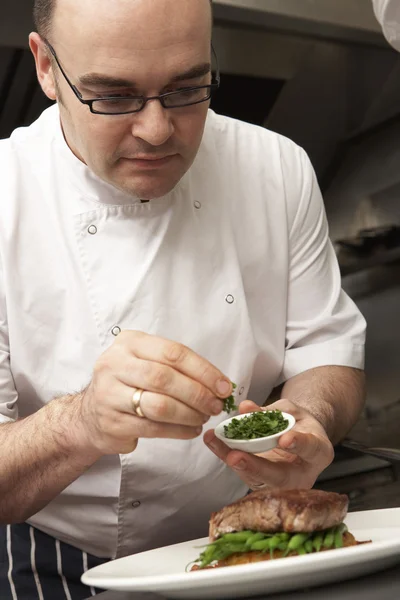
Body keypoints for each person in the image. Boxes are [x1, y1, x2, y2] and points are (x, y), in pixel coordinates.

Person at [0, 0, 366, 597]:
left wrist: (309, 422)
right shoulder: (5, 195)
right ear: (45, 68)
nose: (156, 130)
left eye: (186, 89)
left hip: (235, 534)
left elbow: (328, 352)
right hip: (50, 554)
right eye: (112, 97)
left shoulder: (277, 167)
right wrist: (83, 421)